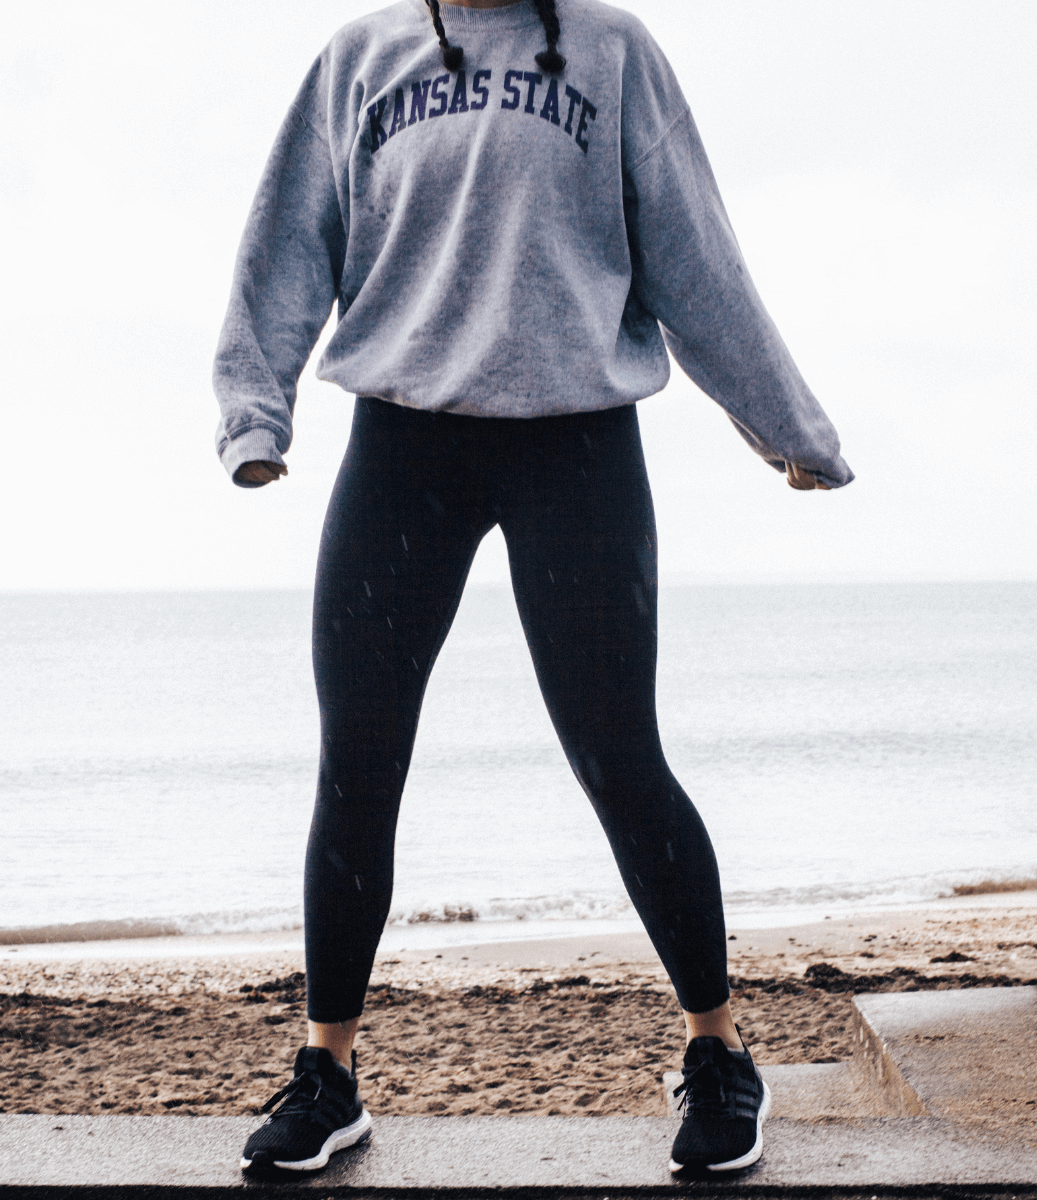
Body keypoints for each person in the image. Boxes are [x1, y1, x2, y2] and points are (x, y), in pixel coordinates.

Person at [214, 0, 853, 1178]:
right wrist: (258, 410)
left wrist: (786, 427)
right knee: (358, 761)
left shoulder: (612, 54)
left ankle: (716, 1050)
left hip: (578, 448)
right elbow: (289, 238)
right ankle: (329, 1072)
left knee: (619, 757)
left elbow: (696, 254)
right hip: (403, 446)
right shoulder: (362, 59)